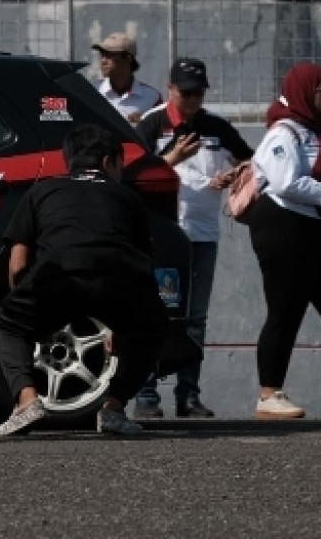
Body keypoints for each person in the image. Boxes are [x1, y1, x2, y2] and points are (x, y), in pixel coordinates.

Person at [0, 125, 168, 437]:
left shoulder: (41, 191)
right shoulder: (127, 197)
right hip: (116, 279)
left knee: (7, 328)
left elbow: (18, 262)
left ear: (68, 161)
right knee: (152, 331)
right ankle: (113, 408)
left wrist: (23, 305)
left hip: (58, 275)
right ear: (108, 162)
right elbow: (143, 262)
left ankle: (27, 401)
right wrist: (125, 327)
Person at [132, 58, 252, 419]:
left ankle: (189, 395)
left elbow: (254, 161)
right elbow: (134, 174)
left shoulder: (215, 126)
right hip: (161, 236)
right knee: (154, 312)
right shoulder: (152, 123)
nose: (193, 100)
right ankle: (146, 395)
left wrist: (233, 175)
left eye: (198, 93)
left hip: (203, 235)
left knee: (195, 318)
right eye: (186, 93)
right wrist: (170, 158)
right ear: (170, 89)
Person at [248, 62, 321, 419]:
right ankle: (269, 393)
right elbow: (285, 182)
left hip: (320, 232)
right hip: (284, 229)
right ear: (305, 90)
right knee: (285, 310)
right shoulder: (284, 132)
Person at [91, 32, 162, 125]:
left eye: (109, 55)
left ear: (128, 59)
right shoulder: (91, 92)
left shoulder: (152, 97)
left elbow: (161, 135)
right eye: (102, 55)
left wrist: (143, 126)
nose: (103, 61)